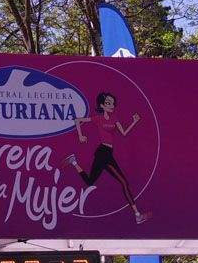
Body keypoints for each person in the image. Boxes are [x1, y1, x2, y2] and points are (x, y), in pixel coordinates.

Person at [64, 91, 149, 224]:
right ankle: (137, 214)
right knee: (124, 183)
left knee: (90, 181)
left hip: (106, 153)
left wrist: (134, 122)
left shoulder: (114, 118)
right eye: (108, 103)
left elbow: (124, 133)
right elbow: (78, 120)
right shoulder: (98, 118)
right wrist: (80, 135)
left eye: (113, 103)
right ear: (102, 105)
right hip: (103, 153)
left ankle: (74, 162)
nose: (112, 105)